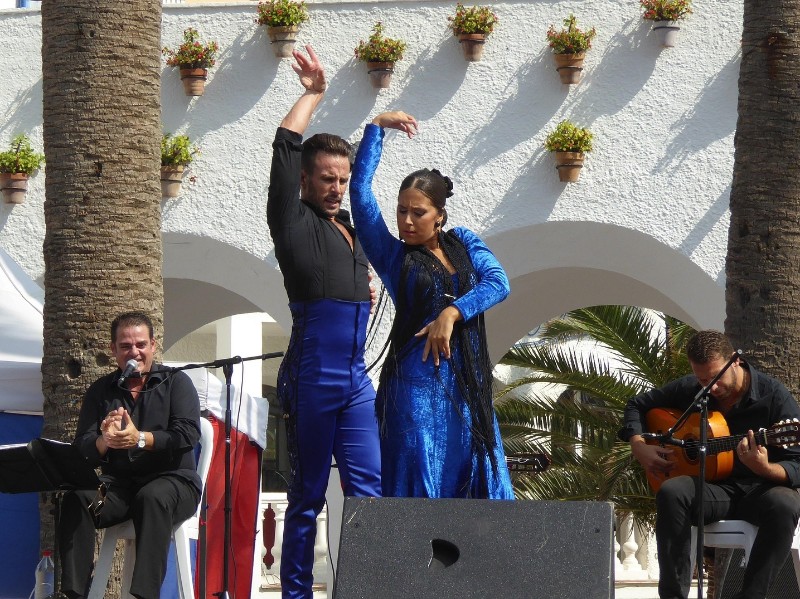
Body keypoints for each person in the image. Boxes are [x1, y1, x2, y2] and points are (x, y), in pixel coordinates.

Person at [348, 110, 514, 499]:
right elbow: (360, 196)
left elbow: (499, 283)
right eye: (401, 211)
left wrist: (451, 313)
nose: (406, 221)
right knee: (421, 479)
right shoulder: (394, 257)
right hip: (415, 386)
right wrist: (376, 130)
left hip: (466, 384)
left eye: (417, 212)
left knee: (476, 474)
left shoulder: (465, 243)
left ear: (439, 216)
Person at [266, 46, 381, 598]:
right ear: (307, 182)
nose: (336, 188)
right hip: (314, 375)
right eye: (327, 179)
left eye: (343, 179)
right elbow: (285, 147)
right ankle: (296, 594)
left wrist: (367, 285)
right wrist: (313, 94)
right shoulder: (292, 219)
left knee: (367, 490)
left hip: (356, 377)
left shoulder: (353, 232)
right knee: (308, 495)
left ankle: (366, 587)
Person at [620, 329, 800, 599]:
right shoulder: (694, 389)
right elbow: (636, 404)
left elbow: (797, 464)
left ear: (735, 362)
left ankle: (751, 596)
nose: (710, 387)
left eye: (715, 378)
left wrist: (765, 468)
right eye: (701, 378)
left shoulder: (774, 397)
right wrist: (638, 445)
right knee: (672, 491)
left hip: (759, 491)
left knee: (786, 503)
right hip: (713, 490)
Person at [58, 311, 201, 599]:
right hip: (120, 490)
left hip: (174, 484)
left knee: (152, 496)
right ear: (113, 350)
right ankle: (73, 593)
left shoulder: (176, 382)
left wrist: (141, 439)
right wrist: (104, 441)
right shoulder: (101, 390)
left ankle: (143, 596)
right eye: (125, 346)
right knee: (78, 499)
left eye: (140, 345)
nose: (134, 352)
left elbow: (187, 434)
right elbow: (82, 447)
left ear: (153, 345)